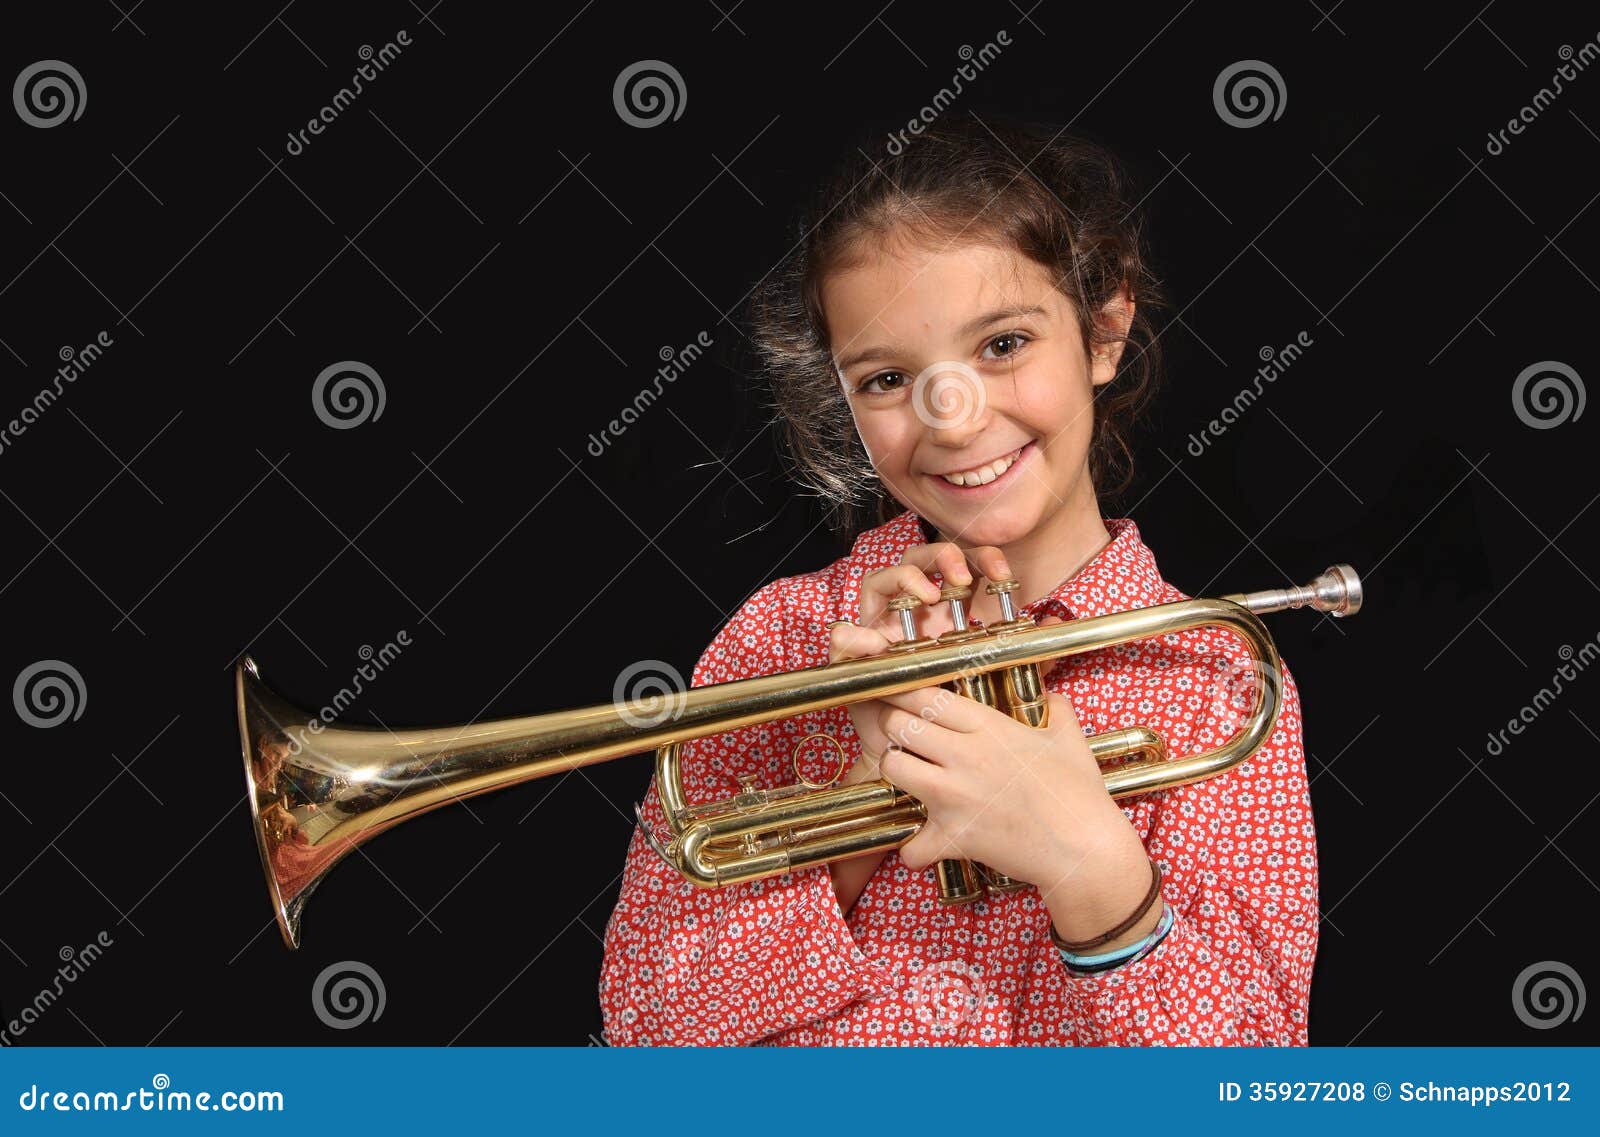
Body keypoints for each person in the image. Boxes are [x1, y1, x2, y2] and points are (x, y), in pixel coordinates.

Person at [597, 116, 1317, 1046]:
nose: (954, 417)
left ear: (1103, 332)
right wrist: (871, 785)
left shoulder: (1215, 676)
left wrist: (1089, 863)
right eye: (889, 377)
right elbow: (647, 1035)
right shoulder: (778, 638)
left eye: (1004, 345)